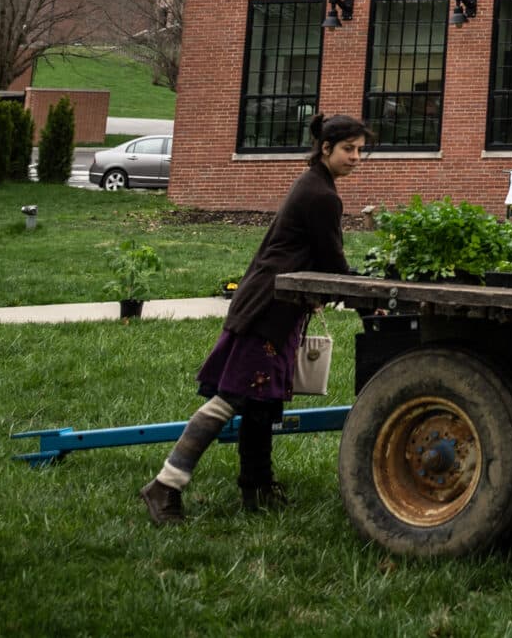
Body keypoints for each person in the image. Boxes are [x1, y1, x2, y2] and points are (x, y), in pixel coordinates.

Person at [141, 113, 365, 523]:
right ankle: (165, 485)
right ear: (326, 148)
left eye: (360, 150)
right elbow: (333, 261)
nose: (356, 157)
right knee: (234, 397)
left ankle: (257, 488)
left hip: (273, 305)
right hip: (268, 310)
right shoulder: (322, 195)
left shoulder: (314, 183)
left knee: (260, 404)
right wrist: (365, 291)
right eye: (349, 149)